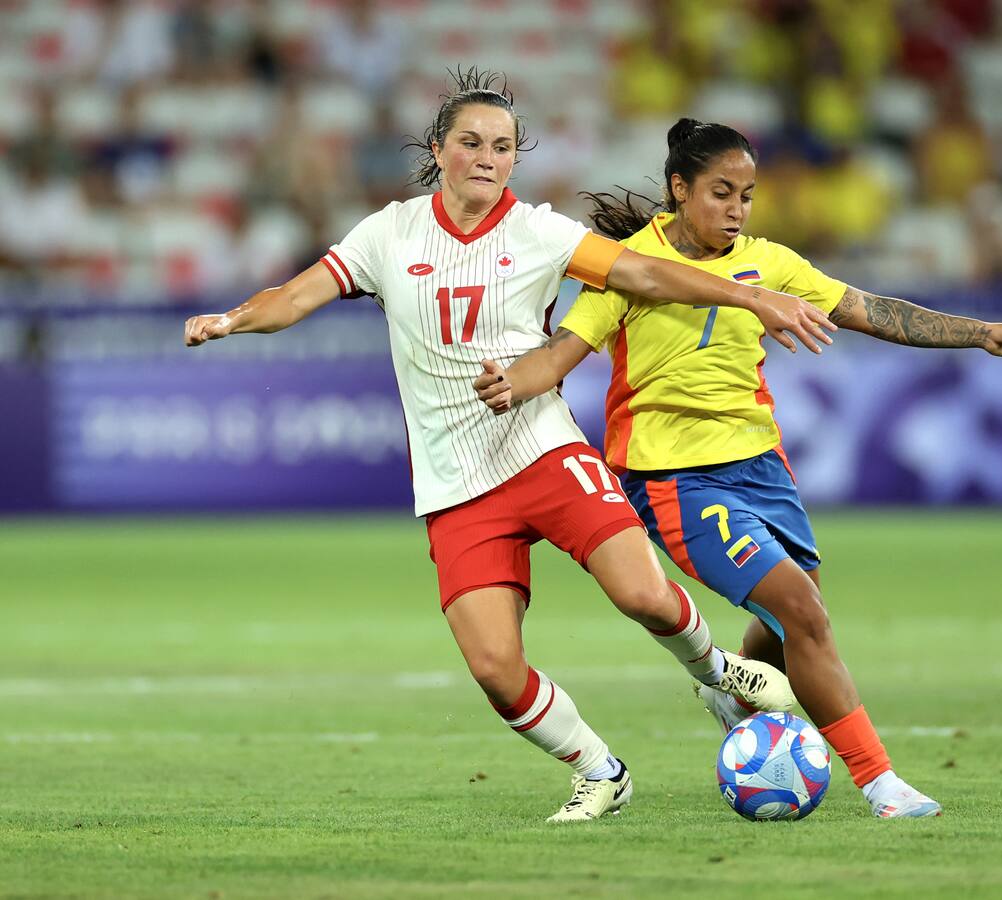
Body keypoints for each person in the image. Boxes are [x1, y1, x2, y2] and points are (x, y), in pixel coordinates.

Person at [182, 73, 837, 823]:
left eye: (502, 146)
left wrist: (750, 293)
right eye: (471, 142)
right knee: (495, 669)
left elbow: (646, 273)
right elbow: (295, 296)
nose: (488, 157)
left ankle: (719, 675)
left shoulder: (538, 232)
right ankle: (599, 770)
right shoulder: (388, 235)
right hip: (455, 481)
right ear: (439, 151)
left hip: (542, 449)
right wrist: (234, 319)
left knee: (643, 594)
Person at [474, 118, 1002, 818]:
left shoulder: (769, 263)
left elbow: (870, 310)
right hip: (675, 479)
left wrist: (981, 333)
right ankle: (882, 783)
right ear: (680, 188)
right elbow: (564, 350)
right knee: (803, 613)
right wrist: (514, 382)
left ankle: (733, 690)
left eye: (747, 195)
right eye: (721, 192)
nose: (736, 209)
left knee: (788, 621)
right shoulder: (630, 267)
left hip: (761, 467)